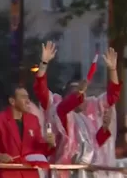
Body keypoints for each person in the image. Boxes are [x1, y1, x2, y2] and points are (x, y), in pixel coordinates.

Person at [33, 42, 121, 170]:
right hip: (63, 171)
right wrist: (44, 63)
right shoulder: (58, 109)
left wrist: (113, 70)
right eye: (75, 93)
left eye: (82, 92)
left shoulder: (90, 111)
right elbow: (40, 88)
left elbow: (113, 95)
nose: (81, 97)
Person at [0, 84, 56, 178]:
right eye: (23, 97)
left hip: (29, 174)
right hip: (7, 174)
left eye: (28, 97)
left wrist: (49, 144)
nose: (28, 101)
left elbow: (38, 149)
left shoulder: (33, 120)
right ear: (12, 101)